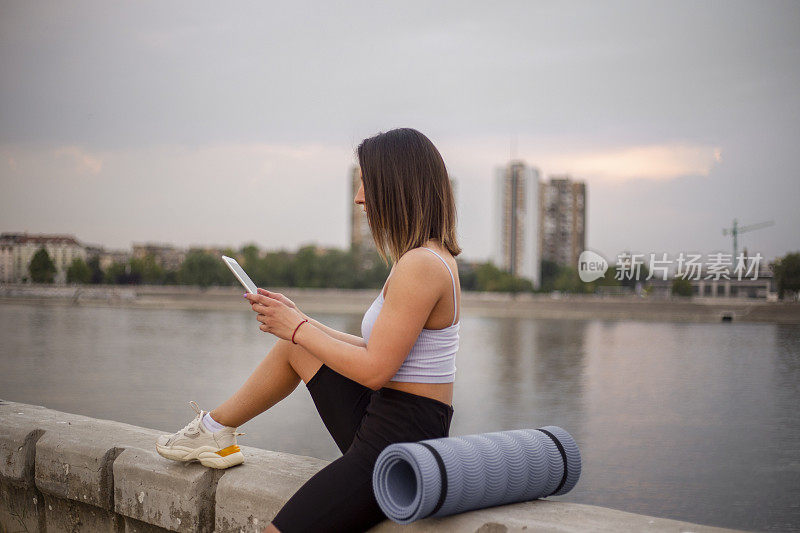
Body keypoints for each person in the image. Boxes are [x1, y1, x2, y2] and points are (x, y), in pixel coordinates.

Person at [155, 127, 462, 532]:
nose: (358, 197)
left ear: (395, 184)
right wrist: (301, 322)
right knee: (293, 347)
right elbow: (379, 349)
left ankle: (213, 429)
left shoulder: (420, 265)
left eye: (365, 182)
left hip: (399, 442)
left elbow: (374, 370)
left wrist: (298, 327)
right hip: (391, 419)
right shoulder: (424, 258)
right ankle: (213, 429)